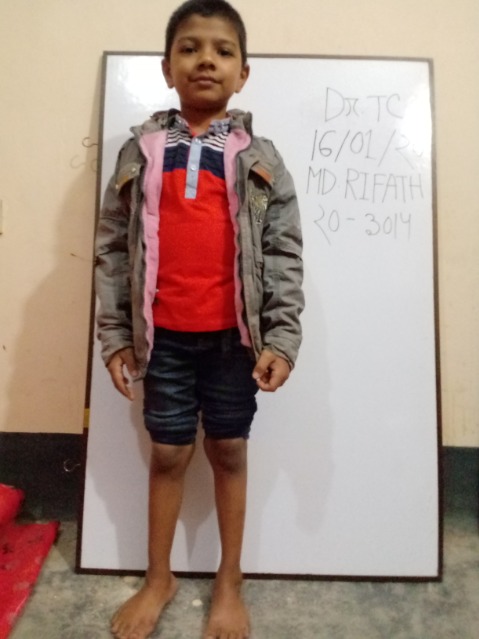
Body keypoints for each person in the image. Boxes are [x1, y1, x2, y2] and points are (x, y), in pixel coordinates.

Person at [94, 0, 304, 637]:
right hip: (162, 342)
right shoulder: (139, 153)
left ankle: (228, 581)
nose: (205, 60)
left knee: (229, 450)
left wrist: (282, 339)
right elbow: (112, 249)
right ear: (166, 68)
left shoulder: (260, 157)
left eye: (222, 50)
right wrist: (115, 337)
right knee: (167, 453)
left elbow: (283, 252)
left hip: (234, 344)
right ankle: (158, 577)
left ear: (243, 72)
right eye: (189, 48)